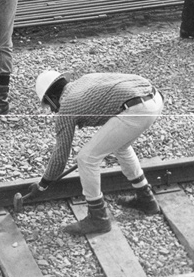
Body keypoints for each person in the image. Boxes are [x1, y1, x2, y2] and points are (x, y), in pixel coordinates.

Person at [23, 68, 164, 235]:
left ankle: (98, 218)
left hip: (136, 108)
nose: (53, 111)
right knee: (121, 146)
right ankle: (146, 199)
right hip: (154, 99)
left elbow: (61, 156)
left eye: (49, 106)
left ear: (51, 97)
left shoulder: (67, 106)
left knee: (86, 158)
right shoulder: (85, 80)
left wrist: (43, 185)